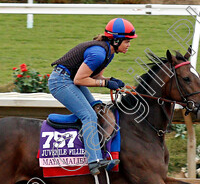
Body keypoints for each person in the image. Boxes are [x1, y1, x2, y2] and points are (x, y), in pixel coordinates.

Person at [48, 18, 135, 175]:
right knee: (88, 115)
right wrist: (105, 84)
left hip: (69, 80)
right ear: (116, 40)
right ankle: (94, 161)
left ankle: (98, 153)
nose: (129, 45)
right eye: (127, 41)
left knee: (96, 109)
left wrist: (110, 81)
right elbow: (79, 79)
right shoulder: (99, 53)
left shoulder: (109, 53)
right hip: (60, 81)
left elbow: (95, 78)